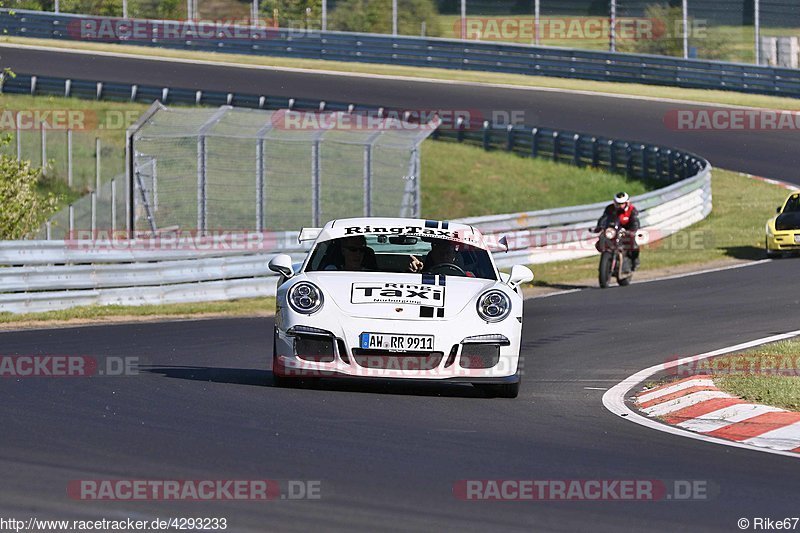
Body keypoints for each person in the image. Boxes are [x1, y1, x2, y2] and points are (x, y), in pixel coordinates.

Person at [593, 191, 641, 271]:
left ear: (627, 203)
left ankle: (634, 261)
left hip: (626, 230)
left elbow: (635, 221)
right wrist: (600, 227)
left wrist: (632, 230)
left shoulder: (632, 210)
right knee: (602, 238)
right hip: (613, 229)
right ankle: (605, 261)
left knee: (633, 245)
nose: (620, 205)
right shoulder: (610, 208)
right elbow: (603, 218)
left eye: (622, 203)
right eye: (618, 203)